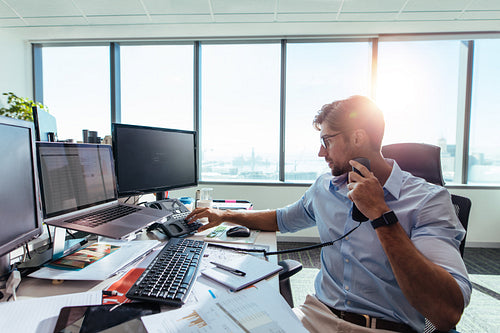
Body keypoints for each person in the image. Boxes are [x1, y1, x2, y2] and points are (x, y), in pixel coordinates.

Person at [187, 95, 471, 333]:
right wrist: (224, 215)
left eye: (327, 140)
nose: (320, 152)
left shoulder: (428, 200)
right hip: (315, 316)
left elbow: (446, 311)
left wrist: (381, 214)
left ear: (357, 137)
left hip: (384, 326)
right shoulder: (325, 187)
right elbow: (282, 218)